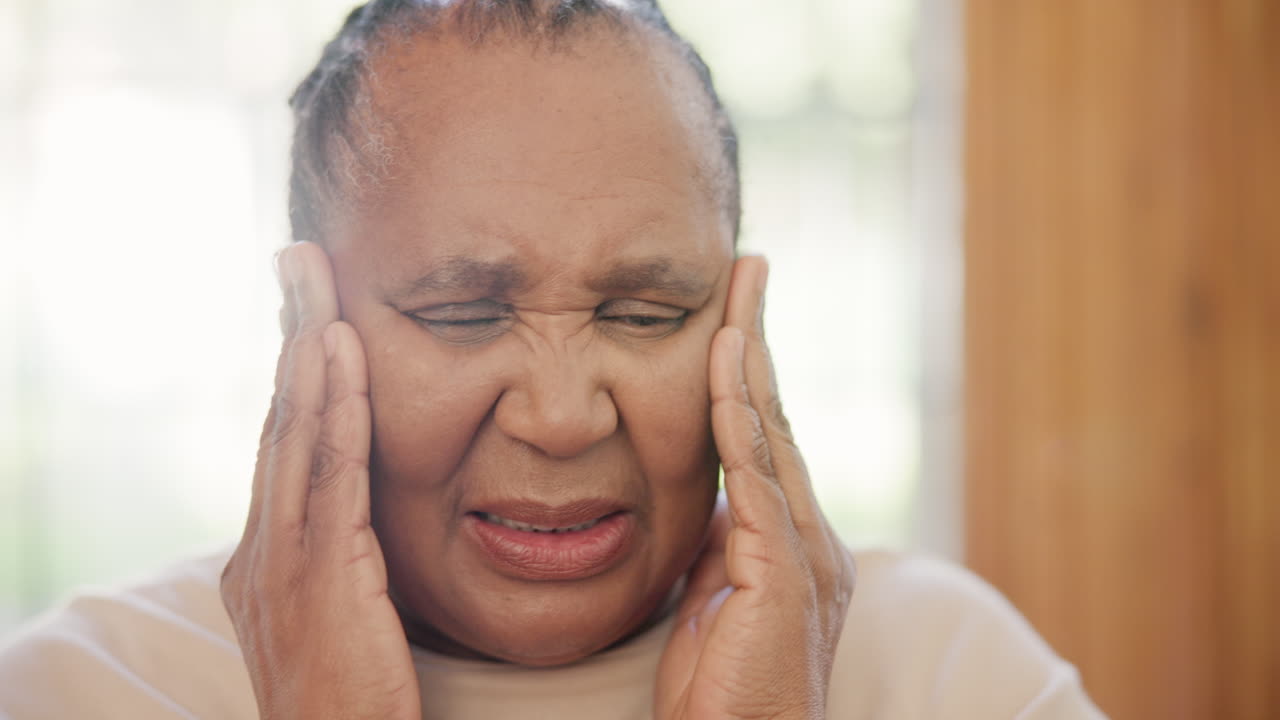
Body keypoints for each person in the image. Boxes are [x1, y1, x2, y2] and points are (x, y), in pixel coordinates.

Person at [0, 1, 1106, 718]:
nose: (565, 416)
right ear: (309, 328)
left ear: (738, 319)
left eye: (641, 313)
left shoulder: (948, 673)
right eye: (464, 314)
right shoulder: (87, 689)